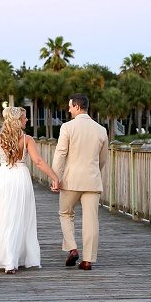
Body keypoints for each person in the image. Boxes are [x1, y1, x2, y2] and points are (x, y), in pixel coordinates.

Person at [0, 107, 60, 274]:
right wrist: (54, 177)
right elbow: (39, 162)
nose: (26, 120)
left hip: (4, 178)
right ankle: (12, 260)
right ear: (17, 120)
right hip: (21, 178)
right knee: (19, 217)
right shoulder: (27, 139)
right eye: (25, 118)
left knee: (5, 216)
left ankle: (9, 260)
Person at [52, 93, 109, 271]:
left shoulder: (67, 127)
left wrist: (56, 177)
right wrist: (94, 172)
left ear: (77, 106)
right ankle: (87, 260)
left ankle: (72, 248)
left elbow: (61, 153)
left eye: (70, 107)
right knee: (91, 220)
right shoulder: (101, 130)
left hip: (71, 180)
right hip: (92, 180)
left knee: (65, 213)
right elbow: (103, 159)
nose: (68, 110)